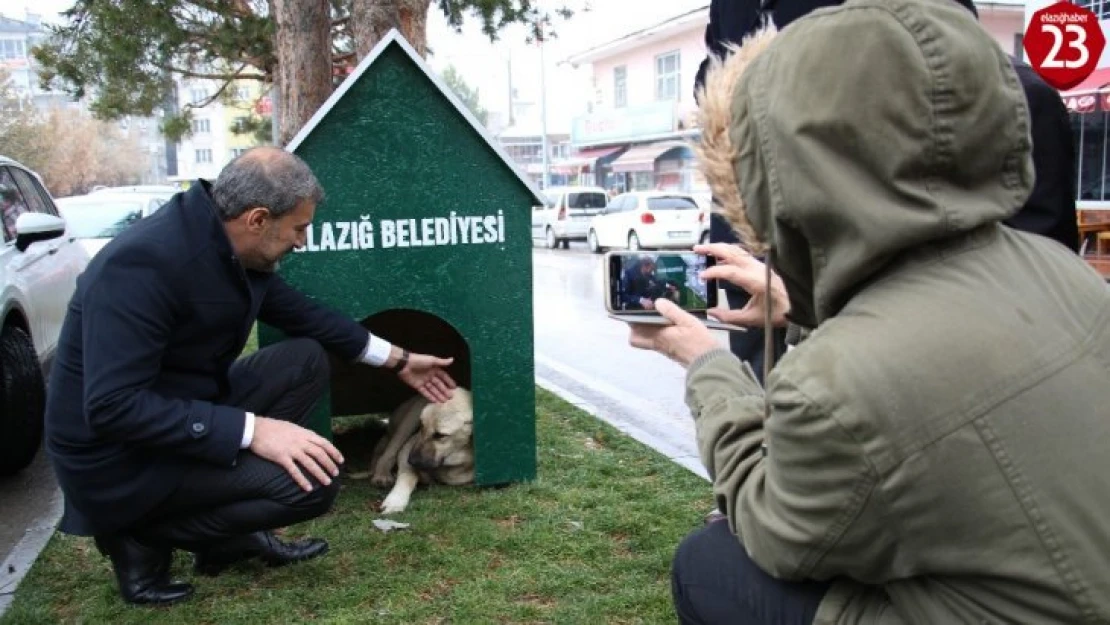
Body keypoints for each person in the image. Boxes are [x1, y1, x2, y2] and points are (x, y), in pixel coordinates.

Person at [630, 0, 1110, 622]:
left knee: (712, 563)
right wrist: (795, 305)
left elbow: (778, 532)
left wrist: (704, 364)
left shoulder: (830, 390)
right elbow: (938, 347)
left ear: (782, 171)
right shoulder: (1057, 269)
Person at [44, 147, 458, 606]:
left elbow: (304, 315)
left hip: (180, 408)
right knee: (314, 484)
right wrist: (253, 431)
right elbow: (112, 408)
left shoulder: (224, 241)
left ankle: (226, 538)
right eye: (299, 228)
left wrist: (399, 359)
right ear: (258, 219)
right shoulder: (141, 266)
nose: (303, 241)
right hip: (119, 458)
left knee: (303, 360)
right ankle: (139, 532)